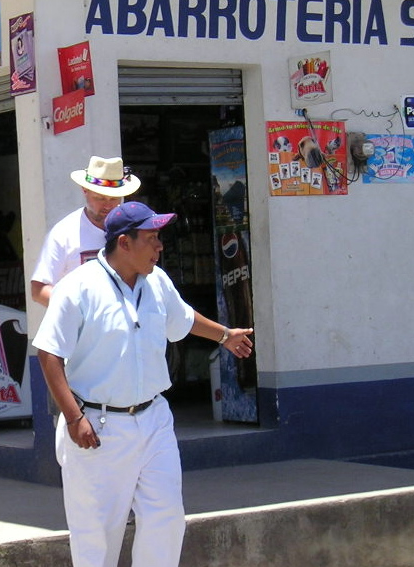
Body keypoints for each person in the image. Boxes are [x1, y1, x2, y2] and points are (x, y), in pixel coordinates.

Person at [32, 201, 254, 567]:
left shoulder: (157, 282)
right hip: (98, 427)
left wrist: (224, 335)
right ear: (124, 243)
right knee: (97, 535)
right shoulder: (78, 287)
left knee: (165, 519)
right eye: (151, 239)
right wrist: (73, 418)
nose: (160, 246)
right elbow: (49, 354)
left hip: (153, 420)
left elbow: (182, 318)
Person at [30, 155, 140, 307]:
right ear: (85, 190)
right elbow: (38, 290)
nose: (107, 206)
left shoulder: (134, 230)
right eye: (100, 198)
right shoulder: (64, 233)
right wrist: (79, 311)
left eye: (114, 199)